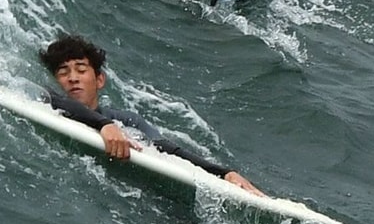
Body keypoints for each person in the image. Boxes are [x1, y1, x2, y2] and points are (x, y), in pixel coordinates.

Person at [38, 34, 263, 195]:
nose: (73, 78)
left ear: (99, 80)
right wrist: (103, 125)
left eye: (81, 69)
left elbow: (167, 149)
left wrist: (224, 173)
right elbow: (56, 99)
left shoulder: (126, 121)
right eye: (62, 72)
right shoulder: (48, 103)